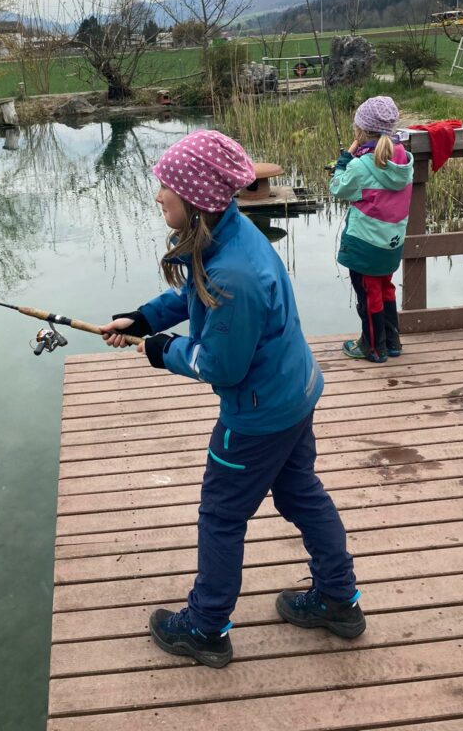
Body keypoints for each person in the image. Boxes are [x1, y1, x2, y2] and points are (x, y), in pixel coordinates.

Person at [101, 129, 365, 669]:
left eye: (165, 189)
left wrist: (161, 350)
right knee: (300, 493)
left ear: (195, 199)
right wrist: (145, 318)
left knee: (221, 514)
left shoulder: (236, 276)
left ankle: (206, 626)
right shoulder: (230, 233)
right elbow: (191, 290)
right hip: (295, 392)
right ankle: (340, 600)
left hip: (258, 415)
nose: (158, 197)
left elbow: (220, 365)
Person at [329, 96, 414, 363]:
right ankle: (392, 341)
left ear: (362, 131)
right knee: (385, 287)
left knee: (368, 292)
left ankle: (373, 348)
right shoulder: (404, 159)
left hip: (366, 243)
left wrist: (344, 160)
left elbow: (338, 187)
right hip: (392, 241)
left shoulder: (360, 164)